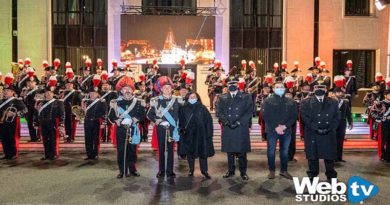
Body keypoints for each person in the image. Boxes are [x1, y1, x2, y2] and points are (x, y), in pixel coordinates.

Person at [300, 83, 340, 181]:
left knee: (329, 156)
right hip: (312, 132)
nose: (320, 89)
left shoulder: (333, 102)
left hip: (328, 132)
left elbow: (337, 117)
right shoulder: (306, 102)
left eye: (322, 87)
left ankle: (331, 176)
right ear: (313, 89)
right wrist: (316, 128)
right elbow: (304, 117)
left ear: (326, 89)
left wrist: (330, 128)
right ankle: (312, 175)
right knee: (313, 156)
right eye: (317, 87)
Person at [108, 75, 146, 178]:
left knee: (133, 151)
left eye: (129, 89)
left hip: (133, 130)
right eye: (125, 89)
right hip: (121, 129)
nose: (127, 91)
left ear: (132, 90)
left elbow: (142, 114)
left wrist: (134, 120)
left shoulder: (138, 102)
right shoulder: (115, 102)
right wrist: (118, 120)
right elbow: (111, 116)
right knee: (121, 151)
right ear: (121, 90)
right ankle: (122, 171)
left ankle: (133, 170)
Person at [147, 76, 184, 178]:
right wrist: (159, 121)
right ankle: (161, 170)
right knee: (161, 150)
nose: (167, 89)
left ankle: (170, 170)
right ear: (161, 89)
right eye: (165, 87)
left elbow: (183, 114)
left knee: (171, 150)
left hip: (173, 129)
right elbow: (149, 115)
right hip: (161, 129)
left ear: (172, 89)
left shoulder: (178, 100)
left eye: (169, 87)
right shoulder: (155, 100)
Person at [216, 77, 253, 180]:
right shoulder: (222, 97)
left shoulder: (246, 96)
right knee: (230, 151)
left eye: (234, 84)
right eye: (230, 84)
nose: (232, 86)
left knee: (242, 151)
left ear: (238, 85)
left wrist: (238, 122)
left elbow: (249, 112)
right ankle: (230, 170)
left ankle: (243, 172)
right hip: (228, 126)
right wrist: (226, 122)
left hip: (241, 126)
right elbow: (219, 112)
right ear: (227, 86)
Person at [262, 82, 298, 179]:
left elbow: (294, 116)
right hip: (272, 130)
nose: (280, 89)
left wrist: (284, 126)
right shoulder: (267, 101)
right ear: (273, 89)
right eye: (277, 87)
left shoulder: (291, 101)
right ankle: (272, 170)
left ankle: (284, 170)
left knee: (284, 151)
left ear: (285, 89)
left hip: (286, 130)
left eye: (282, 87)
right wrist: (276, 127)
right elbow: (265, 116)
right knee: (271, 151)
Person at [178, 92, 214, 179]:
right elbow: (181, 120)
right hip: (189, 134)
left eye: (194, 96)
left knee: (203, 153)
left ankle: (204, 170)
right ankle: (191, 169)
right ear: (187, 98)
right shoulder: (183, 108)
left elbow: (209, 121)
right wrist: (181, 129)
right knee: (190, 153)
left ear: (197, 98)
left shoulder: (202, 108)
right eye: (191, 96)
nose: (192, 98)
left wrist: (209, 133)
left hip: (201, 134)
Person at [34, 85, 65, 161]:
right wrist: (36, 122)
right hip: (43, 123)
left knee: (53, 139)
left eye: (50, 93)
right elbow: (37, 113)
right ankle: (47, 154)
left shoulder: (58, 102)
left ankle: (54, 154)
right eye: (47, 92)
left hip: (53, 123)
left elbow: (62, 114)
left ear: (53, 94)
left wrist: (61, 123)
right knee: (45, 139)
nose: (48, 94)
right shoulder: (40, 103)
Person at [0, 76, 27, 160]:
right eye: (4, 91)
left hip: (13, 122)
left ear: (12, 92)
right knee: (4, 138)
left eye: (7, 91)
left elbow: (25, 110)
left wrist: (14, 113)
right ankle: (6, 153)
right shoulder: (0, 101)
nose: (5, 92)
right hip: (2, 122)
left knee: (12, 138)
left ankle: (13, 154)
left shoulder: (16, 100)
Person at [83, 84, 107, 160]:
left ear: (97, 94)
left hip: (96, 121)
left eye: (94, 93)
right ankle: (89, 154)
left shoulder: (101, 102)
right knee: (88, 139)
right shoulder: (85, 102)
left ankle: (95, 154)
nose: (92, 94)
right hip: (87, 122)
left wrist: (103, 122)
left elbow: (104, 113)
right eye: (91, 93)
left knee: (96, 139)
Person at [333, 87, 353, 163]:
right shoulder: (330, 102)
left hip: (342, 122)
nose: (340, 93)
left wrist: (350, 122)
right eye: (338, 92)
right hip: (333, 123)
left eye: (341, 92)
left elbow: (348, 113)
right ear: (334, 94)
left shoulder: (345, 102)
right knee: (333, 141)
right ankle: (332, 158)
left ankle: (339, 157)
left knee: (340, 141)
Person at [381, 89, 390, 162]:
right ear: (385, 95)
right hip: (385, 124)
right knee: (384, 140)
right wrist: (385, 117)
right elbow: (376, 114)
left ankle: (388, 156)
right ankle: (383, 155)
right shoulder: (382, 103)